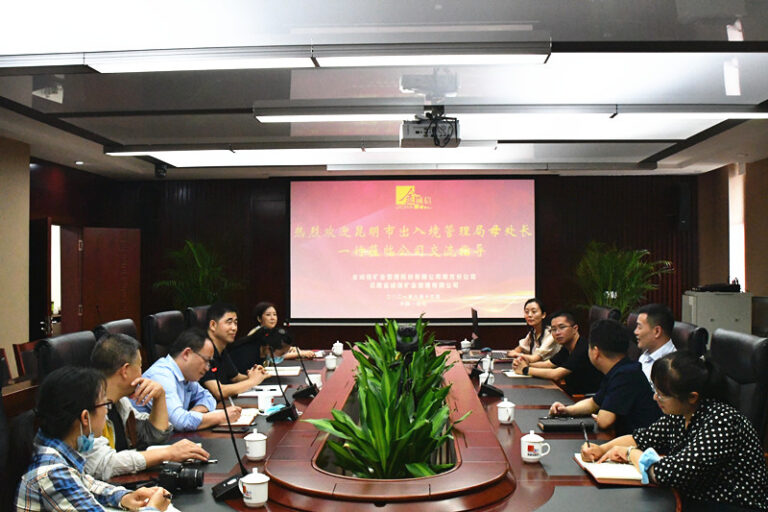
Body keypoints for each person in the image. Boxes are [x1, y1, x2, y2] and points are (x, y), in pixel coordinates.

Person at [581, 351, 768, 512]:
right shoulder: (681, 412)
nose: (655, 398)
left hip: (729, 505)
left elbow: (666, 474)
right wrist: (602, 449)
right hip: (693, 497)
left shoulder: (722, 421)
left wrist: (631, 454)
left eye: (662, 395)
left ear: (692, 397)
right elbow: (642, 438)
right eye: (656, 390)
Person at [16, 366, 171, 511]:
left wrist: (123, 496)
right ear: (85, 417)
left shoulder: (56, 448)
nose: (106, 411)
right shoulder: (53, 472)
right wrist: (153, 508)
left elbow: (85, 484)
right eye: (104, 404)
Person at [85, 333, 209, 480]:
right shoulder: (89, 408)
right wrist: (167, 453)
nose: (142, 374)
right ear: (125, 370)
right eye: (140, 366)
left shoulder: (120, 402)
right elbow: (103, 464)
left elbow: (154, 437)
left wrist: (160, 397)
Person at [548, 319, 661, 435]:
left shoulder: (626, 374)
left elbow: (605, 421)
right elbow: (593, 403)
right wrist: (566, 410)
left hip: (643, 442)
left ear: (595, 352)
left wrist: (602, 416)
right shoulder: (618, 369)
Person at [134, 328, 241, 431]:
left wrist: (194, 412)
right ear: (186, 354)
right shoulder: (161, 375)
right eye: (206, 360)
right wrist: (221, 416)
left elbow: (208, 397)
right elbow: (179, 422)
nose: (207, 368)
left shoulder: (186, 375)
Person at [512, 310, 603, 394]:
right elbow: (549, 364)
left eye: (562, 327)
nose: (557, 333)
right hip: (570, 393)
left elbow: (556, 374)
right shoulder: (567, 346)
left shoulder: (583, 348)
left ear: (575, 328)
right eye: (553, 329)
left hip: (583, 397)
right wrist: (525, 364)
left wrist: (525, 369)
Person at [201, 302, 269, 400]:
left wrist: (256, 375)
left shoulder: (221, 348)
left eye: (235, 323)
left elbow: (236, 377)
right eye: (229, 322)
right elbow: (218, 391)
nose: (234, 328)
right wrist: (252, 381)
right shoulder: (202, 350)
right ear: (213, 325)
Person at [228, 302, 309, 374]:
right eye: (268, 315)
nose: (272, 318)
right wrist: (299, 354)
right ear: (259, 318)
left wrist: (289, 349)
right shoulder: (256, 334)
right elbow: (273, 356)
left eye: (274, 314)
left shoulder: (271, 333)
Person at [634, 303, 676, 388]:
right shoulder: (645, 356)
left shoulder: (671, 366)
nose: (635, 332)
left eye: (639, 327)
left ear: (657, 331)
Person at [506, 298, 560, 363]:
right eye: (526, 312)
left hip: (548, 368)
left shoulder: (551, 334)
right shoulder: (533, 332)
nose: (529, 315)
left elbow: (535, 358)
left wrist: (516, 354)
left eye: (534, 312)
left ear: (543, 315)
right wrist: (514, 353)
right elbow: (519, 348)